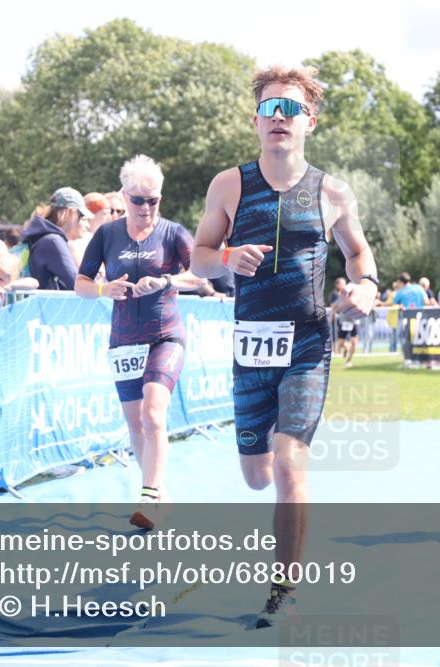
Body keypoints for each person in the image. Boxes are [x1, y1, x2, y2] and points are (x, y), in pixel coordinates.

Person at [190, 65, 378, 628]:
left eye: (290, 109)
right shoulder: (229, 185)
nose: (279, 117)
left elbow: (359, 255)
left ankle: (285, 589)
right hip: (252, 344)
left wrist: (366, 287)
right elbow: (197, 255)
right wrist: (225, 259)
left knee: (290, 460)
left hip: (308, 341)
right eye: (270, 108)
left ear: (309, 123)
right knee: (257, 473)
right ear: (255, 122)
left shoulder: (333, 192)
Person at [76, 155, 202, 529]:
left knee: (153, 413)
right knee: (135, 425)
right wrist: (104, 288)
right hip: (124, 339)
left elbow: (202, 274)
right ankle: (161, 495)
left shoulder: (173, 233)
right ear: (124, 196)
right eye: (138, 200)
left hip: (165, 335)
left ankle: (147, 499)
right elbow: (80, 285)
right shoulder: (107, 234)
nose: (146, 208)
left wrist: (166, 281)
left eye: (154, 200)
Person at [23, 187, 89, 290]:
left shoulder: (43, 236)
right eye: (81, 216)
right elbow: (76, 284)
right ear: (70, 212)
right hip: (44, 305)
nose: (87, 224)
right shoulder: (53, 241)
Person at [330, 278, 360, 367]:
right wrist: (333, 313)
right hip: (344, 321)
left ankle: (349, 361)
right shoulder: (342, 295)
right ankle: (347, 348)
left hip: (354, 320)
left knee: (354, 342)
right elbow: (333, 306)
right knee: (341, 343)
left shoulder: (357, 294)